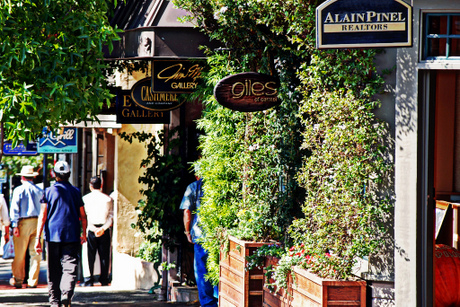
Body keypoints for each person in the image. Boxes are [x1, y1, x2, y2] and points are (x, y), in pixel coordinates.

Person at [35, 161, 87, 307]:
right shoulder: (76, 192)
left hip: (52, 235)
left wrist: (37, 238)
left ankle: (54, 301)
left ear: (54, 174)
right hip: (72, 234)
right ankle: (66, 293)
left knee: (54, 269)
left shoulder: (48, 192)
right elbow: (83, 215)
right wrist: (84, 232)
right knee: (70, 266)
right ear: (69, 175)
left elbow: (43, 215)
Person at [180, 174, 218, 307]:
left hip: (200, 235)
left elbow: (187, 212)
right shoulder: (217, 184)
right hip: (216, 236)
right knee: (217, 268)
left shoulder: (192, 187)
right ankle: (220, 299)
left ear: (196, 175)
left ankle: (208, 304)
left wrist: (187, 232)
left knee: (203, 271)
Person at [9, 165, 43, 289]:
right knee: (35, 254)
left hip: (23, 223)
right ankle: (32, 281)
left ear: (22, 177)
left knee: (20, 254)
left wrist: (15, 225)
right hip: (38, 223)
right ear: (32, 177)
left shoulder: (19, 190)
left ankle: (18, 279)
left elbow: (14, 209)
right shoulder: (40, 190)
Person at [82, 176, 113, 286]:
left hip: (91, 228)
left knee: (89, 255)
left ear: (90, 186)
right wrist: (103, 228)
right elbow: (111, 216)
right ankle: (104, 279)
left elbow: (84, 216)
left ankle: (88, 280)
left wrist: (92, 228)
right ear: (101, 185)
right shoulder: (108, 199)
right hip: (104, 229)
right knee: (104, 255)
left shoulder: (85, 199)